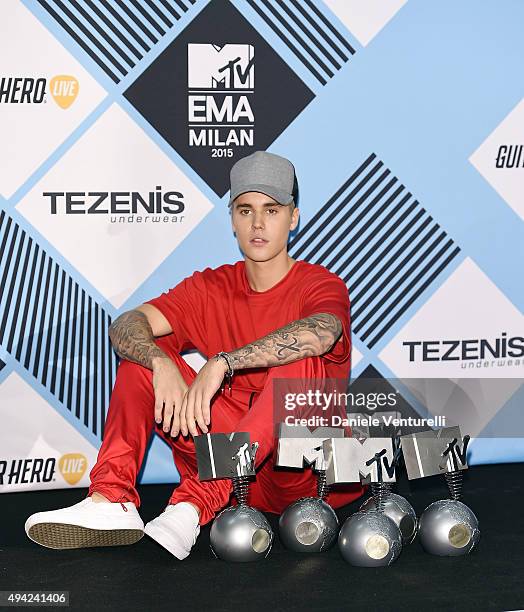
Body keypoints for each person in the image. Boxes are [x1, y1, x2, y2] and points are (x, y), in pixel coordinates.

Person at [25, 151, 364, 559]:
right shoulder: (210, 287)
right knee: (143, 359)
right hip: (237, 472)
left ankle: (191, 503)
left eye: (271, 210)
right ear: (233, 218)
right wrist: (161, 362)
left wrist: (222, 362)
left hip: (306, 472)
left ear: (293, 217)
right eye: (245, 210)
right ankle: (112, 499)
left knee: (298, 359)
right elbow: (127, 323)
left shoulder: (321, 284)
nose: (257, 223)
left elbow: (322, 333)